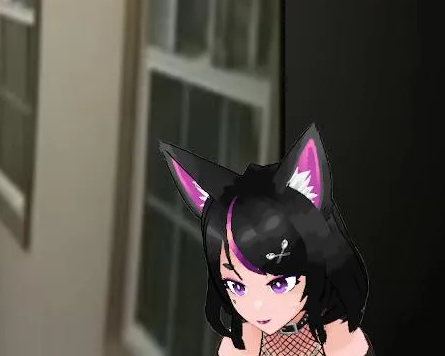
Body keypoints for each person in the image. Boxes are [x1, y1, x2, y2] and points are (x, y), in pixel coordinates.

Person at [159, 124, 374, 356]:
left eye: (279, 284)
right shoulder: (243, 342)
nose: (257, 306)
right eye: (236, 286)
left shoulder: (338, 338)